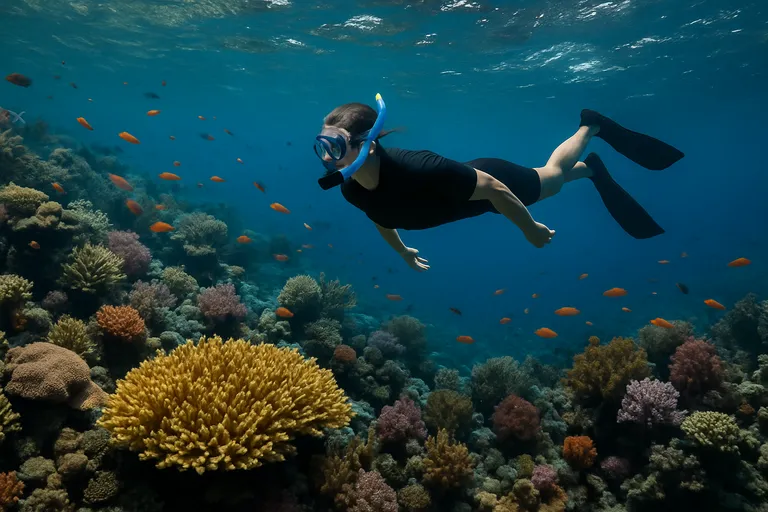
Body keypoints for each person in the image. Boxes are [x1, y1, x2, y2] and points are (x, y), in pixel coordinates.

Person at [314, 96, 684, 272]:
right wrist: (403, 251)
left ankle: (591, 125)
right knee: (553, 180)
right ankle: (590, 169)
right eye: (322, 147)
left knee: (551, 178)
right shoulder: (351, 188)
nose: (327, 158)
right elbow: (380, 214)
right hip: (473, 194)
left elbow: (493, 188)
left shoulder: (421, 168)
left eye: (334, 146)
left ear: (369, 143)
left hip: (493, 181)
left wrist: (530, 229)